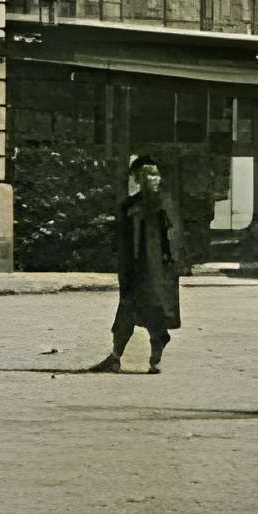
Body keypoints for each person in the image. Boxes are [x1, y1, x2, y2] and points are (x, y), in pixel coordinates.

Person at [84, 154, 185, 374]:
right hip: (149, 272)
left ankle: (125, 356)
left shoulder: (147, 207)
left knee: (138, 312)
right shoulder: (153, 205)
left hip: (147, 272)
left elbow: (159, 241)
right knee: (139, 313)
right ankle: (123, 357)